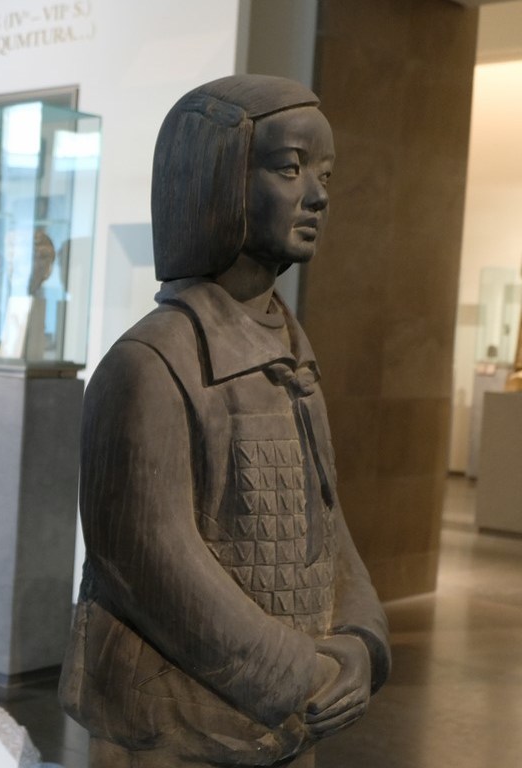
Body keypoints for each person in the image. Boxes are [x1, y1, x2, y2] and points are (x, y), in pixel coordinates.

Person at [60, 75, 391, 768]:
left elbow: (328, 527)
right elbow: (153, 565)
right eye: (289, 168)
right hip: (176, 722)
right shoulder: (152, 363)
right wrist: (297, 671)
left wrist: (362, 641)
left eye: (325, 174)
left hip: (283, 719)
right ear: (216, 180)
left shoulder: (292, 359)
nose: (318, 194)